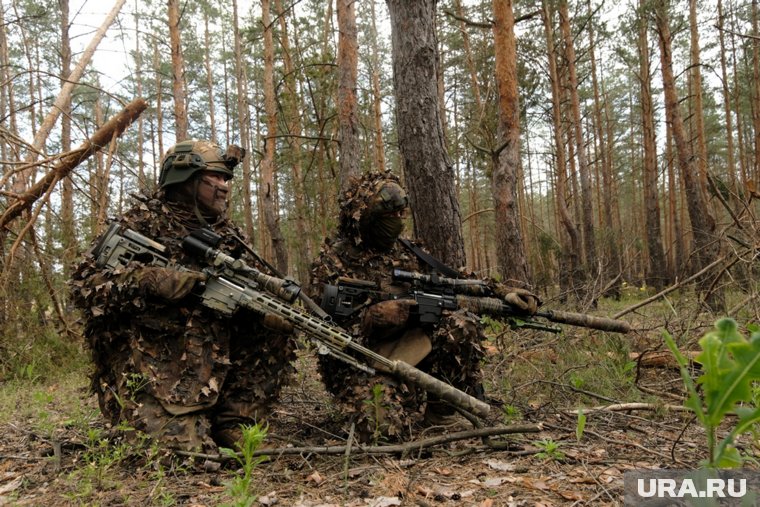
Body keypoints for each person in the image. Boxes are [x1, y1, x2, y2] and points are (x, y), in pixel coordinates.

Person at [70, 139, 296, 454]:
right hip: (155, 365)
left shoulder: (230, 237)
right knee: (184, 457)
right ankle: (181, 419)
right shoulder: (142, 223)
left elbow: (254, 292)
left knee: (274, 321)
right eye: (215, 177)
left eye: (226, 179)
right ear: (184, 179)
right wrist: (150, 280)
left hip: (212, 359)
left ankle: (235, 420)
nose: (224, 187)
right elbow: (82, 286)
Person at [310, 170, 539, 441]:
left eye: (400, 215)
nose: (397, 222)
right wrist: (369, 320)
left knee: (461, 323)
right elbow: (320, 331)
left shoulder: (408, 252)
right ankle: (398, 399)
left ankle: (441, 414)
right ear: (367, 218)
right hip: (361, 362)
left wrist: (502, 291)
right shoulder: (333, 262)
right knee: (382, 430)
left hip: (410, 349)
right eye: (389, 216)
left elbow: (455, 280)